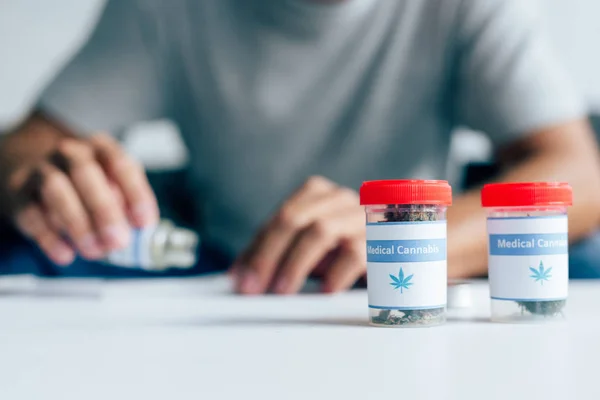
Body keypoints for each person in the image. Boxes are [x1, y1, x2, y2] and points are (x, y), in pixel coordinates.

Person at [1, 0, 599, 293]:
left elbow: (581, 175)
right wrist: (37, 176)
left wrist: (409, 239)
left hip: (413, 280)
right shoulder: (165, 9)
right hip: (234, 275)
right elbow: (27, 143)